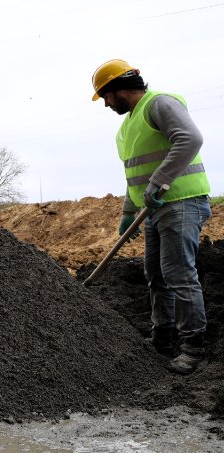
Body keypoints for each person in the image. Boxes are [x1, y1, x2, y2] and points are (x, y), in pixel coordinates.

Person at [92, 59, 211, 374]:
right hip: (155, 209)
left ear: (119, 88)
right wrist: (128, 211)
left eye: (105, 96)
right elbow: (135, 175)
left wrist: (159, 181)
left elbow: (190, 139)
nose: (106, 104)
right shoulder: (126, 128)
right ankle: (162, 340)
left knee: (178, 274)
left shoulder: (159, 103)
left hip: (181, 202)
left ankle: (193, 349)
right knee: (156, 276)